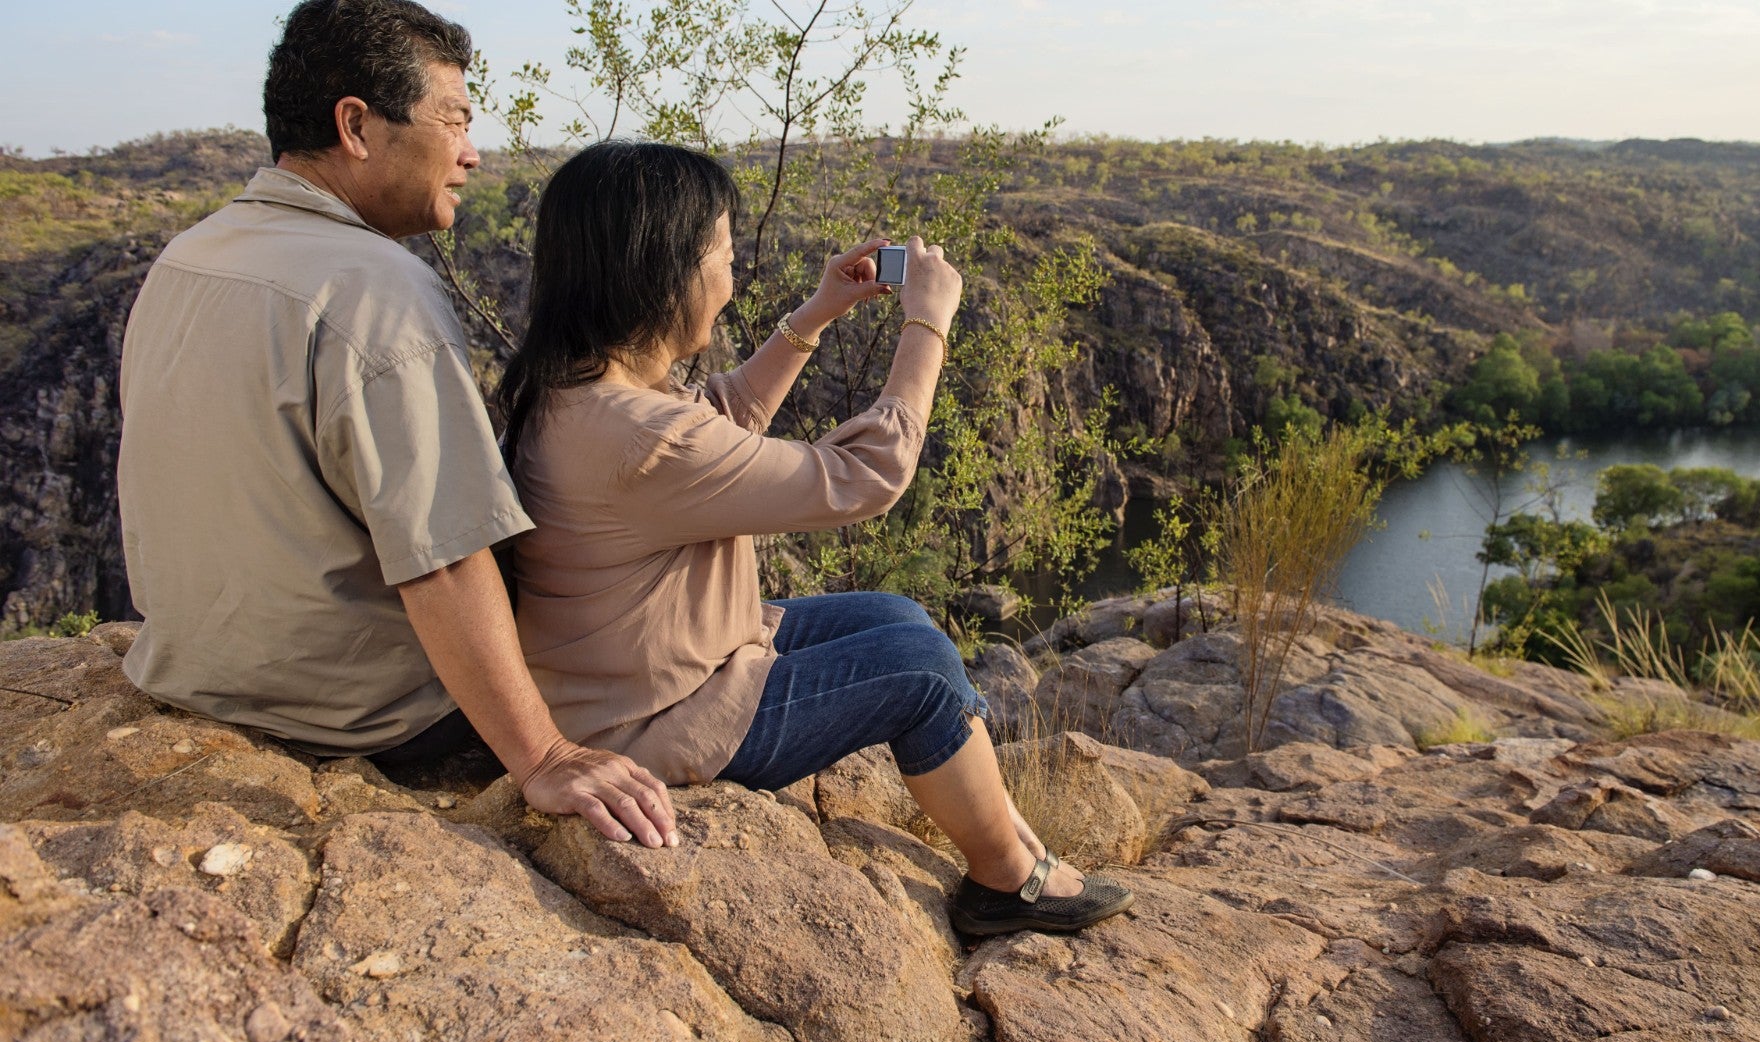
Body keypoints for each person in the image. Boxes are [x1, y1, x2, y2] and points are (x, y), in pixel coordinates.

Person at [498, 140, 1133, 934]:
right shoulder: (635, 436)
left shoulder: (583, 390)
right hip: (652, 719)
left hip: (669, 661)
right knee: (921, 670)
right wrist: (926, 325)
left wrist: (820, 309)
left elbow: (720, 416)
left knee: (897, 616)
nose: (729, 284)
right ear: (663, 274)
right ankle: (1006, 881)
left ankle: (999, 823)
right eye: (722, 258)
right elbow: (870, 476)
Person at [115, 0, 678, 849]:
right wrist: (545, 756)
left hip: (196, 673)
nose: (471, 154)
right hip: (366, 715)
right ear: (356, 125)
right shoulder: (375, 292)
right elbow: (443, 556)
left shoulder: (191, 255)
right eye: (453, 120)